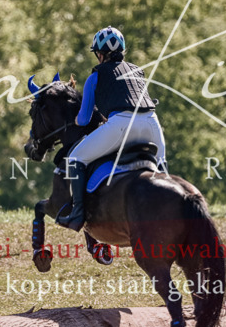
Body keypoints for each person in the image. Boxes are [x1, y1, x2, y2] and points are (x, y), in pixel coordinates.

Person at [56, 26, 166, 231]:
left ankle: (78, 213)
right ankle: (170, 210)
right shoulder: (138, 71)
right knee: (161, 166)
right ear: (122, 51)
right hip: (152, 123)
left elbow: (84, 119)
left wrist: (74, 121)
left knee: (75, 158)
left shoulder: (95, 76)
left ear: (99, 54)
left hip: (121, 125)